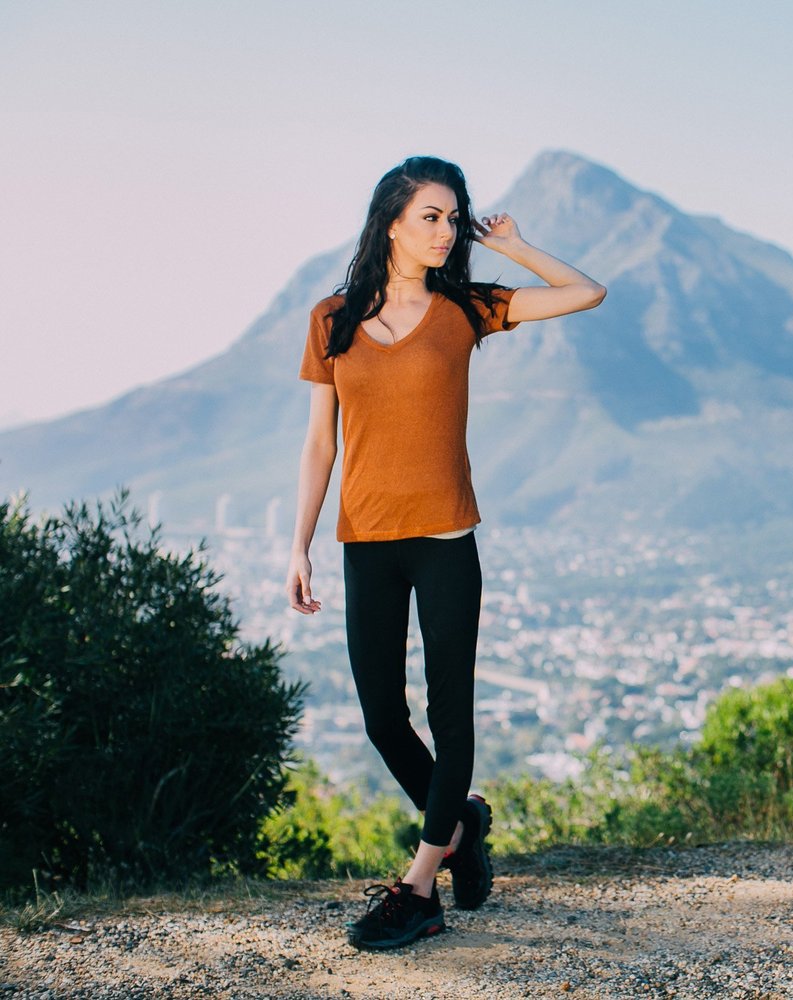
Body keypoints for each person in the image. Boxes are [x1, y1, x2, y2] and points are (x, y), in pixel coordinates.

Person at [285, 155, 606, 951]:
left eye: (453, 217)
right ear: (391, 222)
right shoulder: (334, 318)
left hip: (445, 544)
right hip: (367, 541)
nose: (446, 230)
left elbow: (585, 292)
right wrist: (298, 545)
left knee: (448, 714)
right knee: (381, 717)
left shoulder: (467, 306)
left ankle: (420, 884)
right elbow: (320, 441)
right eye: (430, 216)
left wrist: (516, 245)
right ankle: (461, 823)